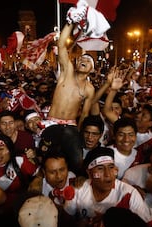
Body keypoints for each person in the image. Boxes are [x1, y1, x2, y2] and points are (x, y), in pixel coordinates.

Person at [63, 147, 152, 227]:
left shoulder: (129, 194)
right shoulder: (78, 189)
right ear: (89, 173)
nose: (108, 174)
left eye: (111, 167)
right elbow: (66, 223)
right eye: (100, 168)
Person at [39, 22, 95, 175]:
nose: (83, 60)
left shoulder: (90, 89)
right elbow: (62, 45)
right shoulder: (67, 72)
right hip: (52, 123)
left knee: (77, 162)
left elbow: (84, 113)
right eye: (82, 59)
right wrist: (71, 22)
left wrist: (78, 131)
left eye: (88, 61)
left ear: (92, 69)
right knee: (45, 161)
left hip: (71, 127)